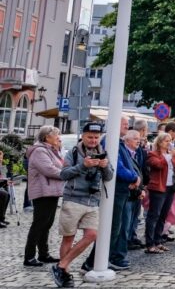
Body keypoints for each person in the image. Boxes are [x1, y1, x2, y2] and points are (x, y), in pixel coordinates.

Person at [52, 121, 114, 288]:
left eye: (96, 137)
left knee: (92, 235)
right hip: (73, 199)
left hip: (93, 200)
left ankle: (60, 266)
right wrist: (83, 165)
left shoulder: (103, 152)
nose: (93, 140)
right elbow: (63, 174)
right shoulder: (73, 152)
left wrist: (105, 166)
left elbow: (109, 177)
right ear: (83, 136)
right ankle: (64, 274)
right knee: (69, 238)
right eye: (90, 137)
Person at [83, 120, 141, 272]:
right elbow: (117, 166)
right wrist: (133, 177)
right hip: (114, 191)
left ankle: (103, 259)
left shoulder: (119, 142)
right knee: (111, 228)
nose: (127, 126)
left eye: (128, 123)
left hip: (122, 191)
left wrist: (135, 177)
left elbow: (128, 164)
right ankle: (94, 261)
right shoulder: (111, 141)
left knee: (117, 228)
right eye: (123, 123)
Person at [24, 126, 64, 267]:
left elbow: (62, 164)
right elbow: (49, 170)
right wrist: (66, 174)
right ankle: (29, 257)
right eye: (56, 135)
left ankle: (43, 254)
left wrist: (59, 149)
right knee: (39, 224)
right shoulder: (40, 151)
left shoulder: (51, 150)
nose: (59, 137)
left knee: (47, 224)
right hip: (43, 192)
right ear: (47, 137)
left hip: (51, 191)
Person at [145, 133, 175, 255]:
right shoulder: (152, 154)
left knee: (163, 216)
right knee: (153, 215)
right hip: (158, 188)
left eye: (170, 141)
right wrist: (169, 157)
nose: (169, 143)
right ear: (160, 142)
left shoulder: (171, 154)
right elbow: (158, 165)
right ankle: (150, 244)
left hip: (170, 188)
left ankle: (158, 241)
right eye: (166, 141)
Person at [126, 119, 150, 250]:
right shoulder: (133, 146)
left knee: (136, 213)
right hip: (133, 184)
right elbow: (139, 166)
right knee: (130, 214)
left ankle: (132, 236)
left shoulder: (140, 147)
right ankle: (128, 238)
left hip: (139, 184)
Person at [0, 148, 9, 228]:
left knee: (7, 194)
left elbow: (3, 176)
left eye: (2, 157)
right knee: (3, 194)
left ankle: (2, 218)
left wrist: (6, 181)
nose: (1, 159)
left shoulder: (2, 166)